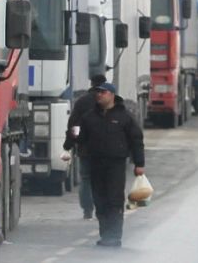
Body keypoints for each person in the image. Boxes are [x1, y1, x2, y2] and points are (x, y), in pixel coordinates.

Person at [76, 83, 145, 248]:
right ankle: (105, 235)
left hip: (116, 164)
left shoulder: (124, 117)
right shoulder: (89, 117)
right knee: (100, 200)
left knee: (114, 200)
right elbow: (81, 139)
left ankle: (114, 236)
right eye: (97, 93)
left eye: (103, 92)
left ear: (112, 95)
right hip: (95, 163)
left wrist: (139, 163)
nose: (99, 95)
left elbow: (136, 140)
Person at [61, 74, 107, 220]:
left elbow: (74, 125)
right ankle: (102, 209)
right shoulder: (111, 101)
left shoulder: (82, 102)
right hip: (106, 149)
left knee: (86, 179)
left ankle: (87, 210)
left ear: (91, 83)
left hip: (86, 148)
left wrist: (69, 143)